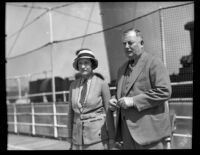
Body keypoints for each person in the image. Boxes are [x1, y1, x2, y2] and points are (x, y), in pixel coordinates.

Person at [109, 28, 172, 149]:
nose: (126, 47)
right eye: (124, 44)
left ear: (141, 43)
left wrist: (133, 101)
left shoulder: (154, 62)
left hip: (149, 134)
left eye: (130, 43)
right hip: (127, 134)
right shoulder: (121, 69)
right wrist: (113, 100)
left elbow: (165, 91)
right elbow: (120, 93)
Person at [67, 48, 115, 150]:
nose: (83, 66)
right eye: (80, 63)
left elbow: (108, 112)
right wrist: (70, 137)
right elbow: (71, 113)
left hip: (97, 140)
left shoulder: (102, 84)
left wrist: (111, 139)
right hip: (77, 140)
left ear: (92, 64)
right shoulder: (73, 85)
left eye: (86, 63)